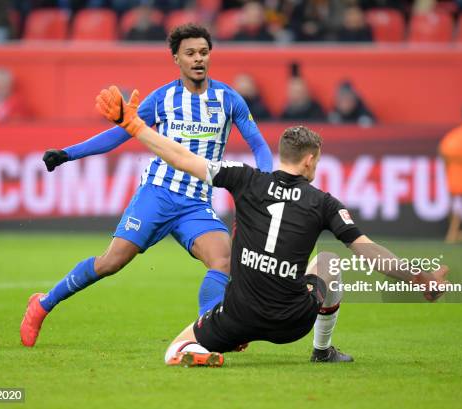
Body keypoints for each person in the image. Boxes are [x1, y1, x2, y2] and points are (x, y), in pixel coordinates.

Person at [95, 86, 450, 366]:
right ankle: (322, 351)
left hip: (238, 317)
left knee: (174, 350)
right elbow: (370, 253)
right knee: (329, 262)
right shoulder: (323, 202)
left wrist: (135, 126)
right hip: (292, 321)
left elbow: (182, 157)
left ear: (282, 154)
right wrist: (420, 278)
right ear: (310, 160)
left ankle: (205, 349)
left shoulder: (246, 180)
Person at [19, 24, 274, 347]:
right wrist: (68, 154)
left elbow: (259, 146)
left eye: (204, 53)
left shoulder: (229, 99)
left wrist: (265, 177)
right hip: (157, 194)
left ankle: (212, 332)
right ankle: (42, 304)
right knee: (111, 262)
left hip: (196, 203)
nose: (198, 59)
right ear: (176, 59)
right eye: (190, 53)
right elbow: (119, 133)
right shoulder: (163, 98)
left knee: (223, 260)